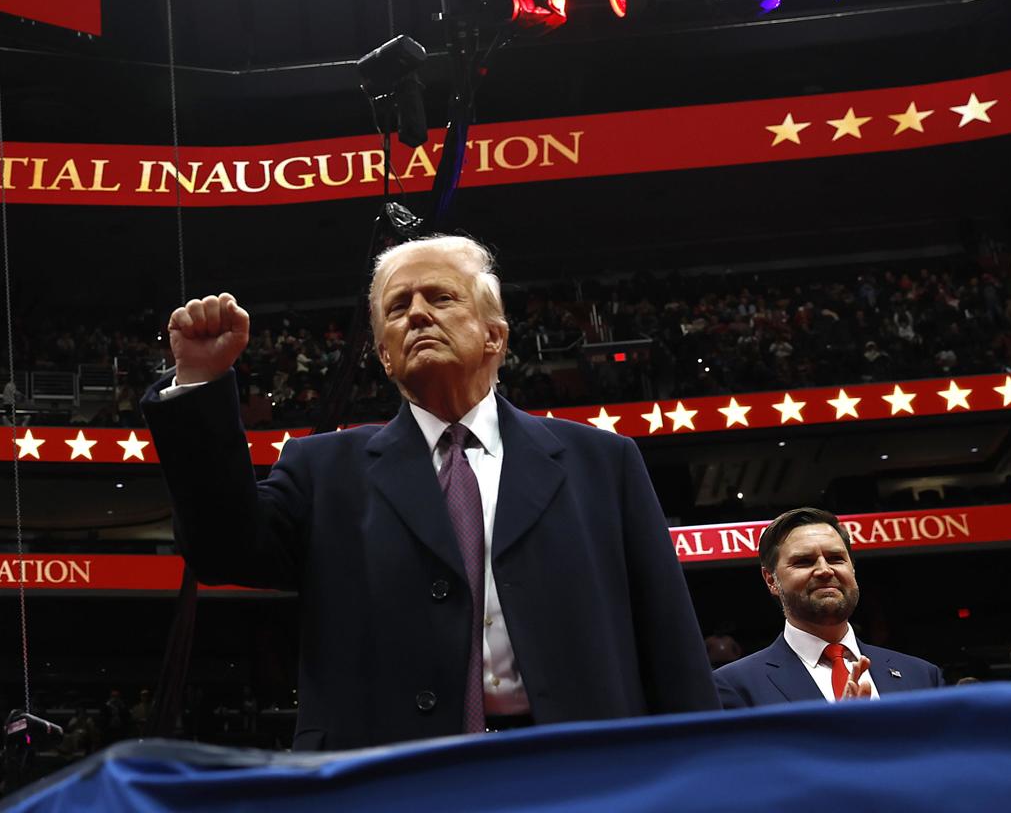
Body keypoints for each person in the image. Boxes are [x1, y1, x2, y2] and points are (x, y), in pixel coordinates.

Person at [144, 234, 716, 750]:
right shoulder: (323, 469)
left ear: (495, 335)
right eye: (398, 307)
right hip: (387, 776)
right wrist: (200, 383)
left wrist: (702, 772)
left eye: (440, 298)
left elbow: (668, 637)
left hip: (582, 773)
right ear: (385, 354)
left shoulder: (602, 462)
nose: (417, 314)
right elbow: (222, 551)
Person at [714, 507, 945, 707]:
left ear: (852, 569)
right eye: (804, 561)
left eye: (836, 558)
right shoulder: (734, 687)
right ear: (771, 580)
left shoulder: (922, 676)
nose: (825, 570)